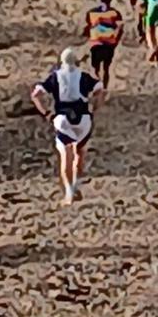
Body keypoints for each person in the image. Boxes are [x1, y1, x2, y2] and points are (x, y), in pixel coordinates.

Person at [30, 47, 103, 204]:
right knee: (79, 153)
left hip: (63, 118)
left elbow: (36, 94)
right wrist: (95, 107)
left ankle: (69, 192)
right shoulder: (83, 76)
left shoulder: (55, 77)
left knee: (65, 156)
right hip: (83, 118)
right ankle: (76, 184)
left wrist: (46, 113)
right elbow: (100, 88)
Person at [84, 0, 123, 89]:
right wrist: (116, 40)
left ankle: (100, 85)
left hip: (97, 42)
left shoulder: (91, 13)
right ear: (110, 1)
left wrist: (90, 36)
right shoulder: (115, 13)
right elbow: (120, 27)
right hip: (107, 43)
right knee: (105, 68)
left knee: (97, 67)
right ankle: (103, 86)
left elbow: (87, 27)